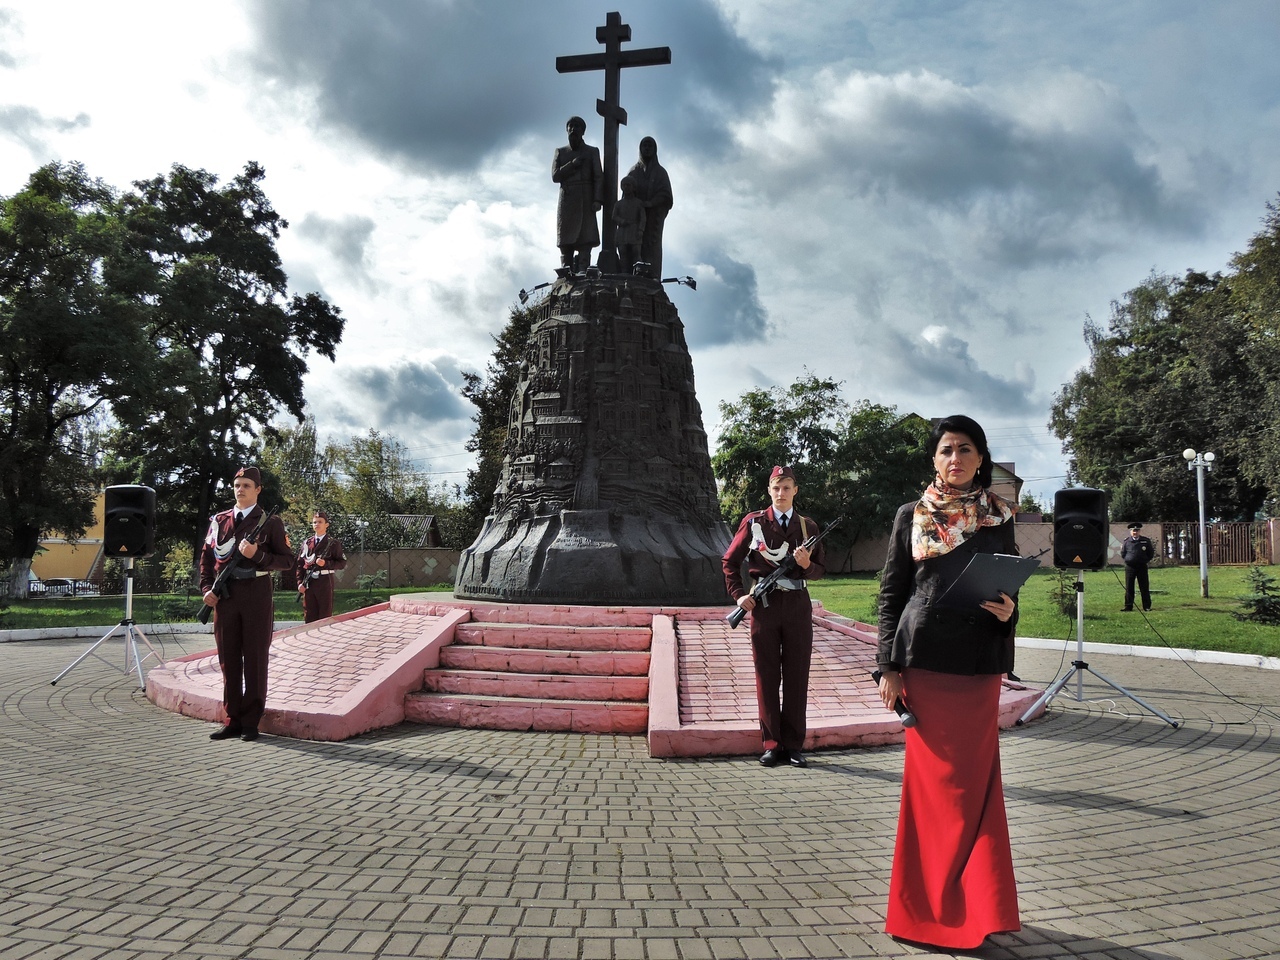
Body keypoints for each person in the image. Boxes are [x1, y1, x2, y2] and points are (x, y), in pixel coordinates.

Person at [875, 415, 1021, 949]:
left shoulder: (999, 517)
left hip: (979, 663)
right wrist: (885, 666)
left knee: (975, 791)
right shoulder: (909, 516)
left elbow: (1008, 587)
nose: (954, 458)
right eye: (945, 450)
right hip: (926, 663)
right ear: (934, 460)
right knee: (931, 793)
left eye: (964, 449)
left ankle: (978, 910)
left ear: (981, 458)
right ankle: (923, 913)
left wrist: (1010, 611)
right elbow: (892, 594)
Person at [721, 465, 826, 768]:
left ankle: (793, 745)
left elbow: (820, 570)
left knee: (796, 675)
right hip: (764, 607)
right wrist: (739, 595)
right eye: (776, 488)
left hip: (796, 605)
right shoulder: (754, 522)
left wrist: (806, 565)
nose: (781, 494)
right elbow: (730, 561)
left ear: (795, 491)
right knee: (766, 675)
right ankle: (771, 744)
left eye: (787, 488)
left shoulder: (808, 527)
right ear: (769, 490)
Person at [199, 466, 292, 742]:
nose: (240, 489)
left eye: (247, 485)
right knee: (228, 659)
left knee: (254, 658)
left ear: (258, 490)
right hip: (225, 598)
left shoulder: (270, 522)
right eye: (237, 485)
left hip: (256, 595)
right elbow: (206, 558)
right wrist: (206, 589)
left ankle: (251, 721)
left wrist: (258, 555)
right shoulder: (219, 520)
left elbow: (287, 561)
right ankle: (233, 719)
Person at [552, 116, 603, 273]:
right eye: (571, 126)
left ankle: (583, 269)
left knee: (585, 238)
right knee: (566, 239)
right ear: (567, 130)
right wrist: (572, 165)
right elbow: (555, 176)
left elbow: (598, 177)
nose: (574, 129)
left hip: (585, 197)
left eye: (577, 126)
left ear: (583, 131)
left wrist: (597, 199)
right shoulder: (560, 152)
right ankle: (565, 271)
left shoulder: (592, 151)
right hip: (567, 199)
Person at [625, 136, 672, 278]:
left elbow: (666, 195)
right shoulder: (633, 172)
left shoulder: (661, 172)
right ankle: (632, 274)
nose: (647, 148)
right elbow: (625, 195)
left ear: (654, 149)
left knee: (652, 246)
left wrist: (651, 203)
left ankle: (652, 277)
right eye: (644, 146)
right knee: (633, 245)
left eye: (650, 146)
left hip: (653, 219)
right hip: (635, 218)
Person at [295, 509, 347, 623]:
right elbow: (300, 564)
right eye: (314, 522)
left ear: (326, 525)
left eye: (320, 522)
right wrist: (300, 583)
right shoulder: (307, 543)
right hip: (309, 582)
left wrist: (326, 564)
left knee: (324, 613)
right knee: (309, 613)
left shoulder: (333, 543)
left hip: (324, 581)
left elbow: (342, 563)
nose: (317, 524)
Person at [612, 174, 646, 275]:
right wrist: (621, 221)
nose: (626, 187)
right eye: (624, 185)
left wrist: (640, 230)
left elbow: (643, 218)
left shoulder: (638, 203)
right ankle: (624, 272)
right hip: (622, 231)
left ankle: (638, 272)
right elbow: (614, 216)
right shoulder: (618, 204)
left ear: (633, 187)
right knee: (623, 252)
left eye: (628, 185)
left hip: (634, 230)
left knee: (636, 252)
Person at [1121, 521, 1155, 611]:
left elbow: (1150, 553)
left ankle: (1146, 606)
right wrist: (1128, 560)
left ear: (1139, 531)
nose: (1135, 532)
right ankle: (1128, 606)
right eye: (1133, 531)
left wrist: (1144, 560)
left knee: (1144, 587)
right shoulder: (1127, 541)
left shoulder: (1145, 541)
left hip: (1142, 567)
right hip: (1130, 567)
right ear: (1130, 532)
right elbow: (1123, 553)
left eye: (1137, 530)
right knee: (1129, 587)